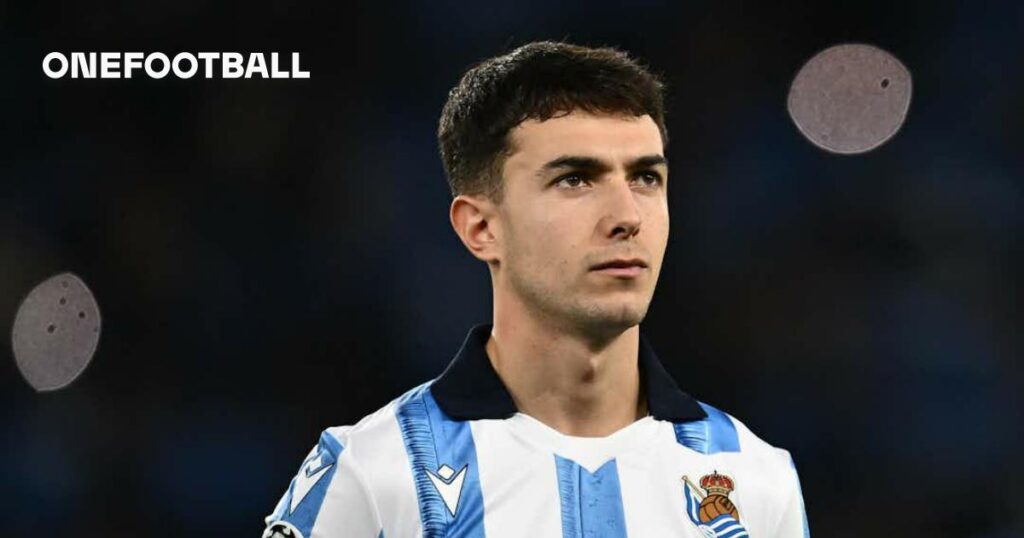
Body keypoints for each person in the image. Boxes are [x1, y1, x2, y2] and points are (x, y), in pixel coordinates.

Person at [263, 40, 810, 538]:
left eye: (646, 177)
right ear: (481, 228)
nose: (627, 216)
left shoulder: (755, 477)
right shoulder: (372, 473)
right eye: (575, 179)